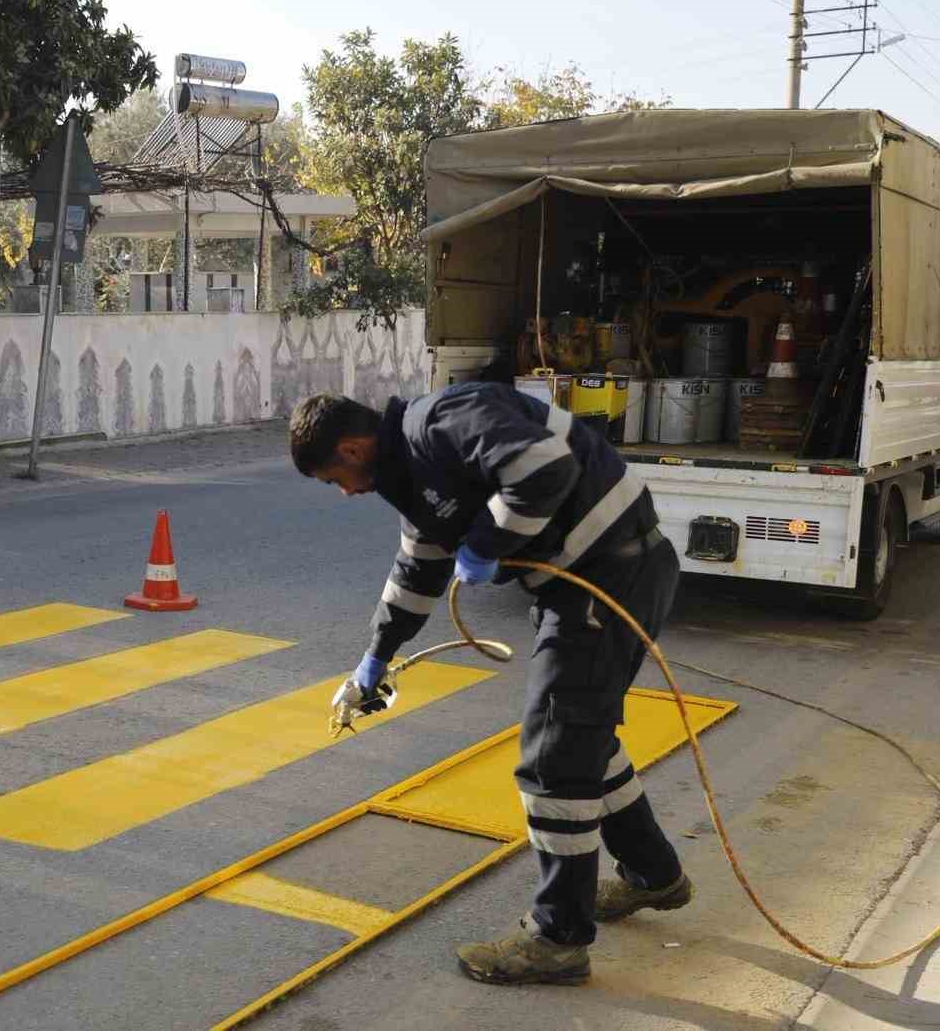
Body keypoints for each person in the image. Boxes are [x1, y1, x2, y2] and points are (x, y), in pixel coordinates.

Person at [288, 384, 692, 986]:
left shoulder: (440, 422)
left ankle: (558, 941)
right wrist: (373, 661)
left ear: (350, 449)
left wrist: (483, 546)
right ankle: (654, 874)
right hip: (591, 583)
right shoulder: (412, 472)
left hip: (608, 577)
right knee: (585, 741)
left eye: (333, 480)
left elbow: (542, 467)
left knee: (555, 761)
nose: (346, 492)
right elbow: (417, 571)